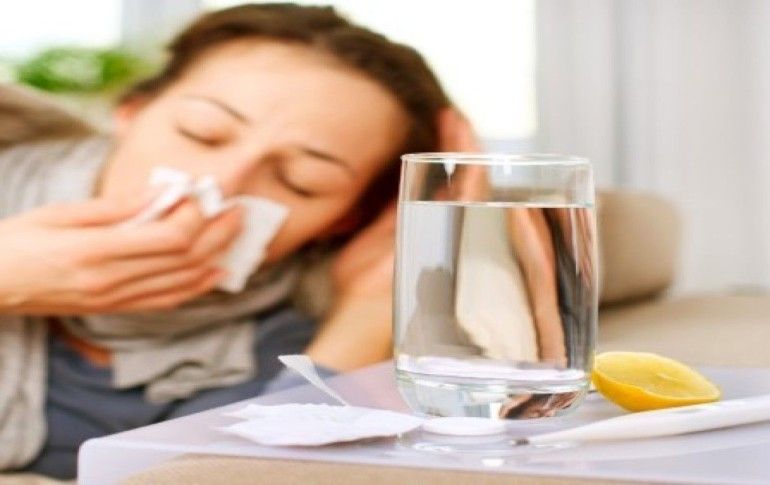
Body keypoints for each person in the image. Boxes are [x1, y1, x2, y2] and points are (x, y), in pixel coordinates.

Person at [0, 4, 478, 478]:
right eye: (202, 133)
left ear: (342, 220)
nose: (223, 183)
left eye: (300, 180)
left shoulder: (282, 339)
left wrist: (363, 319)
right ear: (131, 112)